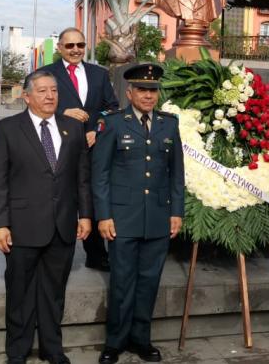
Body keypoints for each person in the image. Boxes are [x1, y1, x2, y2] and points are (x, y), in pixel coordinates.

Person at [0, 70, 93, 364]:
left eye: (54, 91)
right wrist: (0, 224)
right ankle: (17, 352)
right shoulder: (7, 129)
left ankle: (52, 348)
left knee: (54, 292)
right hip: (22, 227)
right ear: (27, 96)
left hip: (62, 225)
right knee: (19, 293)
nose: (50, 96)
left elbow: (82, 176)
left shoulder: (72, 128)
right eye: (43, 91)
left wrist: (85, 215)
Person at [92, 63, 184, 364]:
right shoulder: (114, 124)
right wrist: (103, 216)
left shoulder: (169, 124)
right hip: (122, 219)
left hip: (157, 217)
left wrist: (176, 212)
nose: (148, 95)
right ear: (129, 93)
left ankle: (141, 340)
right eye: (142, 90)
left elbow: (176, 174)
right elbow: (100, 174)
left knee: (149, 282)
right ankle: (115, 342)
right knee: (122, 282)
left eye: (153, 90)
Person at [39, 27, 118, 272]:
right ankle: (50, 248)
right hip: (58, 146)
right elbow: (34, 105)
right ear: (60, 47)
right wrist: (61, 112)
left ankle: (95, 254)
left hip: (93, 146)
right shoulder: (45, 74)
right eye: (70, 45)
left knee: (92, 198)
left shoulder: (99, 74)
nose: (75, 50)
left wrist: (98, 128)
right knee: (58, 196)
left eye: (80, 45)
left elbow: (112, 107)